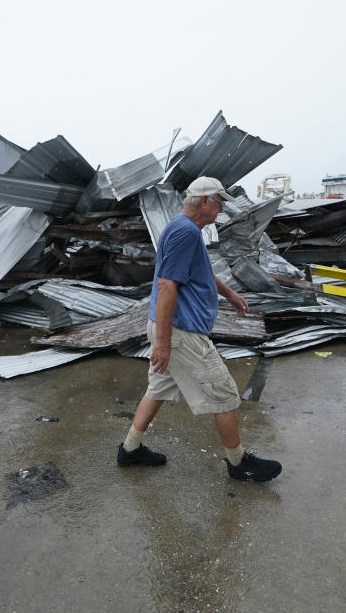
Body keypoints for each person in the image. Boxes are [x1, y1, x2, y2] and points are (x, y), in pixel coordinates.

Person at [116, 176, 282, 482]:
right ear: (205, 201)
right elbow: (167, 286)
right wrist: (164, 344)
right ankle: (238, 463)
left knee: (158, 388)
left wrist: (230, 294)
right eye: (219, 202)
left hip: (169, 329)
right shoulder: (186, 233)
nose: (221, 210)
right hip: (181, 333)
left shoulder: (182, 228)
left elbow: (200, 270)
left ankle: (130, 449)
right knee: (225, 394)